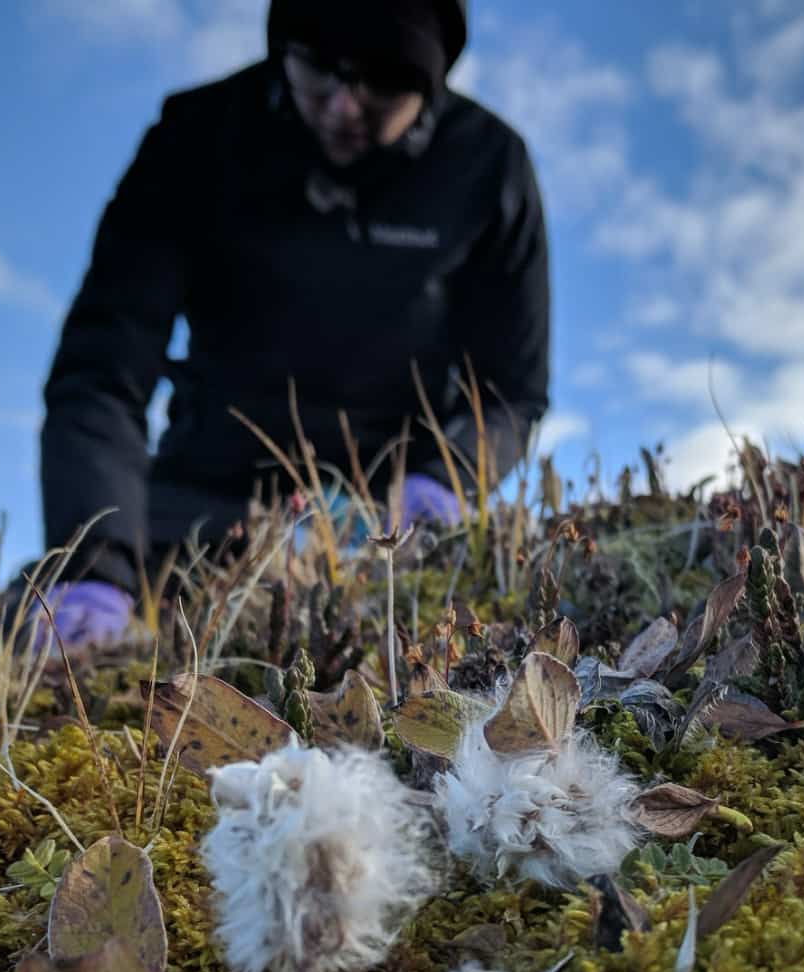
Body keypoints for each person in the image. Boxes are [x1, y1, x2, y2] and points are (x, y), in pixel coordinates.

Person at [33, 0, 551, 648]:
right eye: (318, 69)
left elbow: (512, 390)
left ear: (429, 83)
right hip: (208, 503)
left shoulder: (490, 166)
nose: (342, 107)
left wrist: (444, 479)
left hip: (389, 520)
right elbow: (101, 370)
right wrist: (95, 561)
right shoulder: (195, 137)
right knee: (31, 629)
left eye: (381, 84)